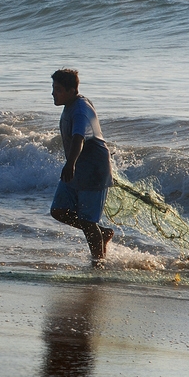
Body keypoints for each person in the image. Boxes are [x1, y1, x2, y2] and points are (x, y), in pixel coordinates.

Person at [49, 68, 115, 265]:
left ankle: (98, 264)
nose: (53, 93)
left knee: (88, 222)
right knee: (59, 210)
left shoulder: (79, 110)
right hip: (77, 167)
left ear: (72, 91)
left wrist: (70, 164)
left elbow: (79, 138)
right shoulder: (70, 104)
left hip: (93, 170)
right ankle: (102, 233)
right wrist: (72, 165)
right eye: (53, 88)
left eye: (58, 89)